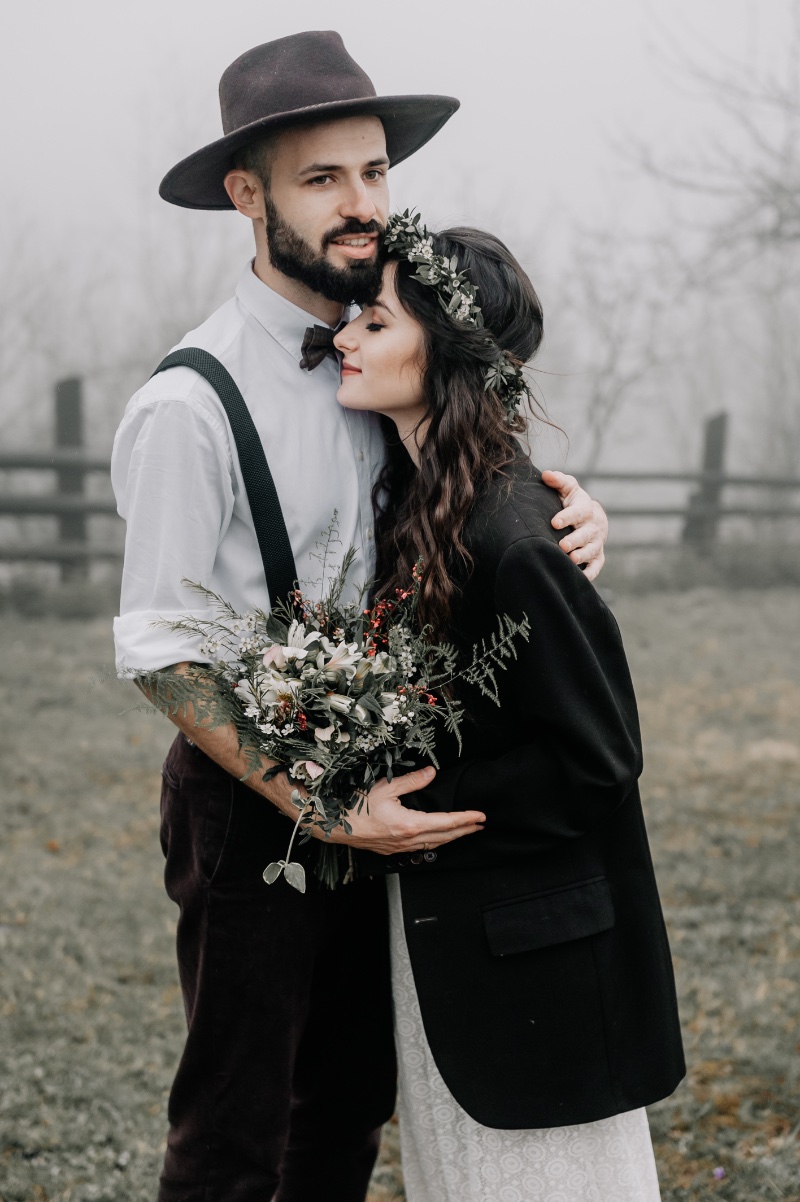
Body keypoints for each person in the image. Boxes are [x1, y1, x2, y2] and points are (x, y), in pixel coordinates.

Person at [111, 31, 609, 1202]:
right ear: (248, 196)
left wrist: (575, 511)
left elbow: (473, 480)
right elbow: (157, 651)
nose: (362, 204)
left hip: (396, 787)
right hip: (251, 806)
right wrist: (323, 804)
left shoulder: (387, 341)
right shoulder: (189, 402)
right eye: (322, 179)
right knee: (236, 1121)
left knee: (345, 1102)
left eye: (375, 172)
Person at [334, 220, 685, 1202]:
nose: (344, 336)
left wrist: (413, 799)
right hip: (453, 950)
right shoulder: (413, 505)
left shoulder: (514, 534)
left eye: (374, 317)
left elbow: (597, 757)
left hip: (537, 973)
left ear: (443, 349)